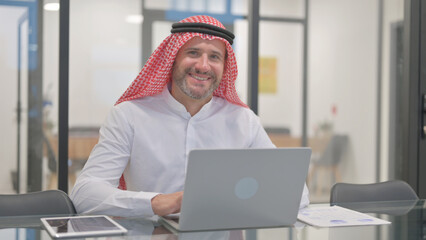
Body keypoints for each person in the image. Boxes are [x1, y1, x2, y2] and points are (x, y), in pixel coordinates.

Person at [70, 15, 309, 217]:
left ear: (225, 66)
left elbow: (297, 192)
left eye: (214, 57)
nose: (203, 66)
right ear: (172, 59)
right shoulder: (129, 115)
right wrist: (159, 203)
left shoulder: (243, 120)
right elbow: (85, 194)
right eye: (193, 53)